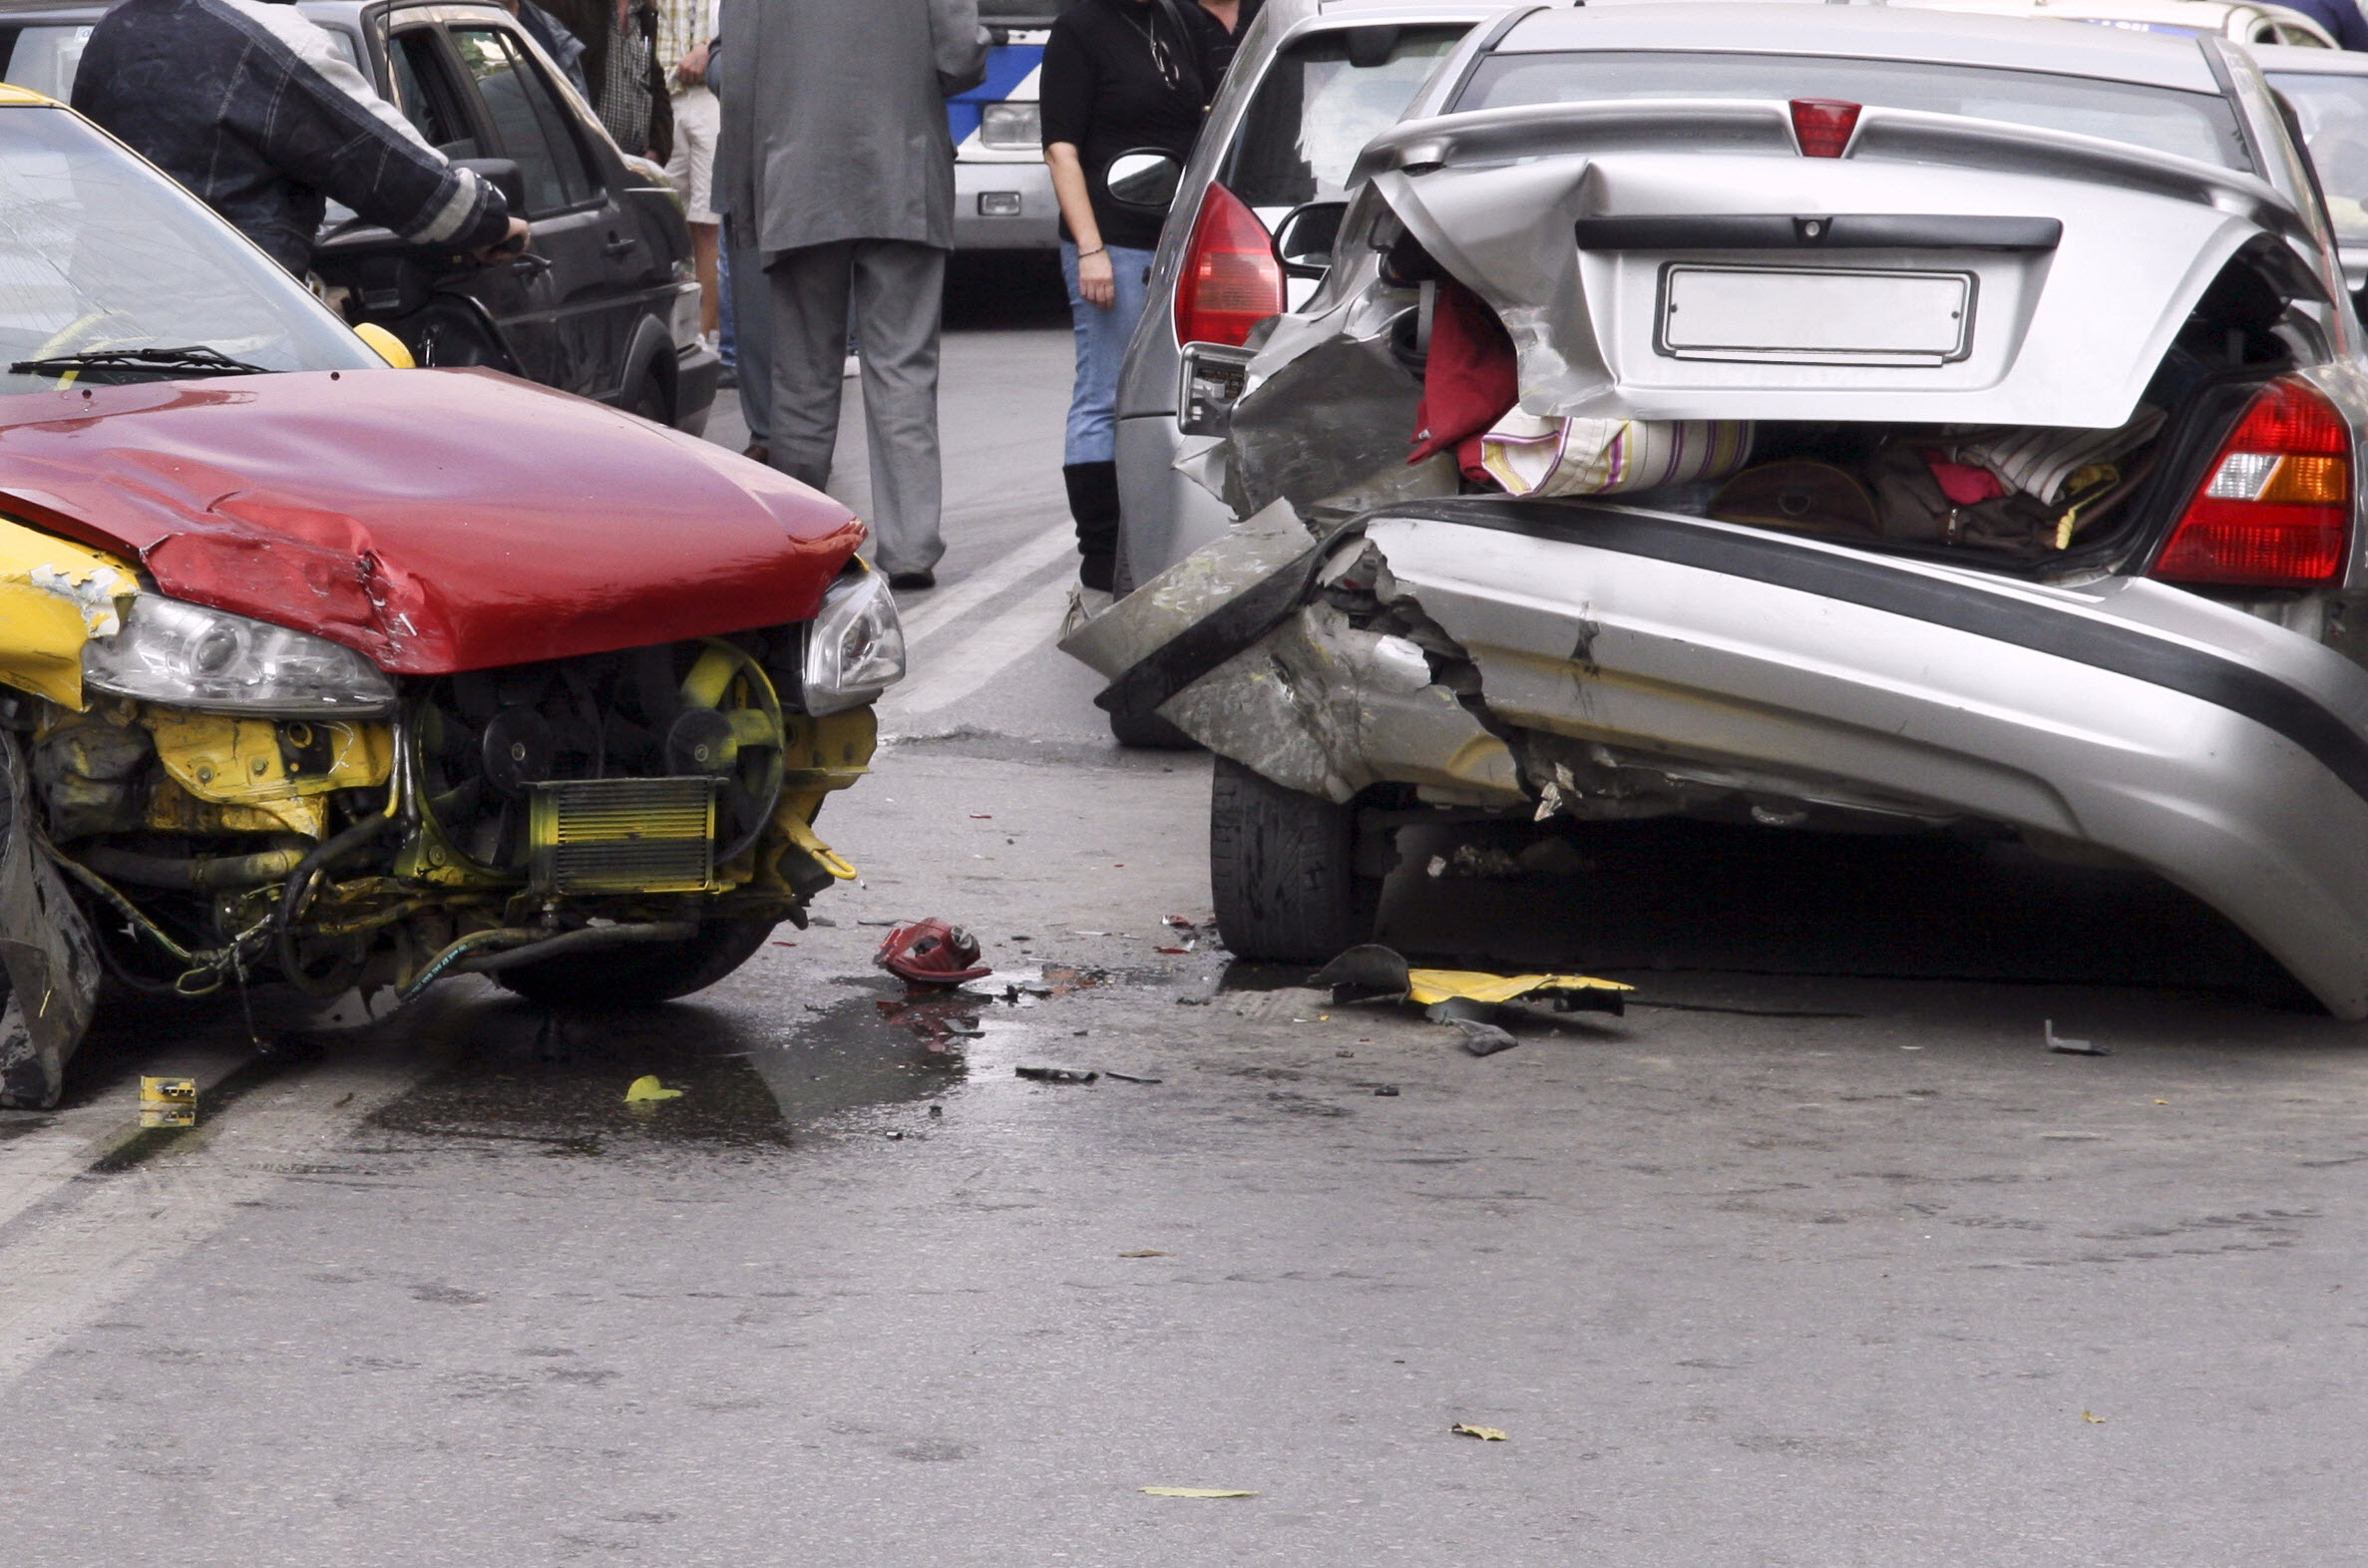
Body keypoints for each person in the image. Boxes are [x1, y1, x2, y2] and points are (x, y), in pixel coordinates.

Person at [714, 0, 987, 591]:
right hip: (903, 173)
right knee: (904, 367)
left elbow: (736, 82)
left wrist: (743, 196)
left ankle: (812, 541)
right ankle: (911, 547)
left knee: (804, 375)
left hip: (796, 179)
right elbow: (961, 56)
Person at [72, 0, 524, 277]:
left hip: (107, 323)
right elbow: (396, 176)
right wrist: (490, 222)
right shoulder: (267, 37)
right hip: (238, 332)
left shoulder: (116, 27)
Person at [1041, 0, 1222, 609]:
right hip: (1111, 241)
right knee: (1104, 390)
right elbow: (1060, 150)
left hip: (1181, 238)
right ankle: (1101, 550)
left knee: (1177, 390)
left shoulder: (1175, 20)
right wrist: (1090, 248)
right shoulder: (1078, 29)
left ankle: (1164, 532)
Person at [657, 0, 720, 349]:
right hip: (669, 96)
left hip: (712, 94)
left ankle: (705, 334)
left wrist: (708, 48)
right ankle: (676, 330)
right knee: (667, 217)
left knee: (708, 221)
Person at [545, 0, 674, 162]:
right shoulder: (568, 7)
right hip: (581, 165)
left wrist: (657, 149)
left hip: (632, 168)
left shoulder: (643, 12)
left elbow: (655, 83)